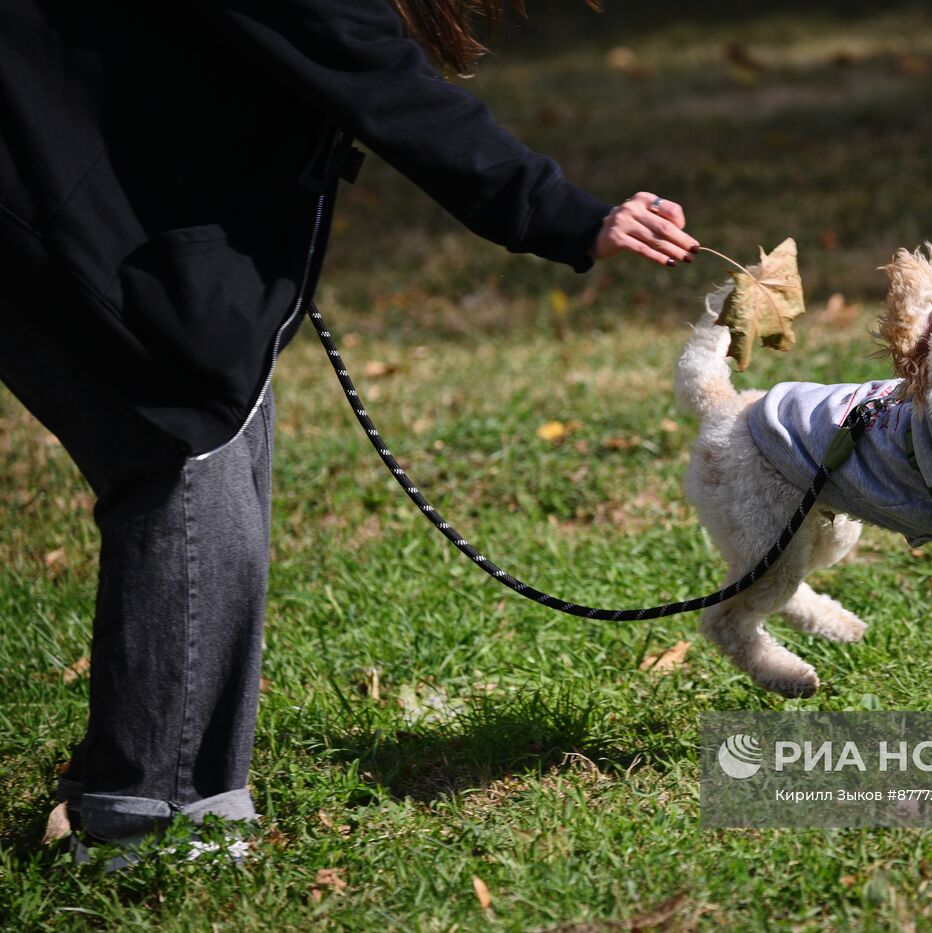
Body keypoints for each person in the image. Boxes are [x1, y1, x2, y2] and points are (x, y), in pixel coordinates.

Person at [0, 0, 698, 857]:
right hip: (47, 187)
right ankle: (150, 820)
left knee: (211, 420)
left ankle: (165, 795)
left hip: (92, 186)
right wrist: (569, 214)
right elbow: (385, 86)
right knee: (187, 438)